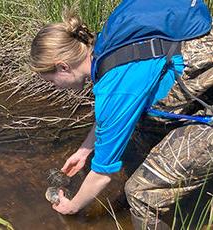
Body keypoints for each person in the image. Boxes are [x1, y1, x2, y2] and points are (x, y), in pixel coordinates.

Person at [29, 1, 212, 229]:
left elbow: (101, 175)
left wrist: (72, 206)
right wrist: (85, 150)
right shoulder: (108, 43)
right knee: (141, 129)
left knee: (140, 194)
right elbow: (115, 114)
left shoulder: (114, 87)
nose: (56, 87)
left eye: (51, 81)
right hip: (201, 72)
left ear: (63, 67)